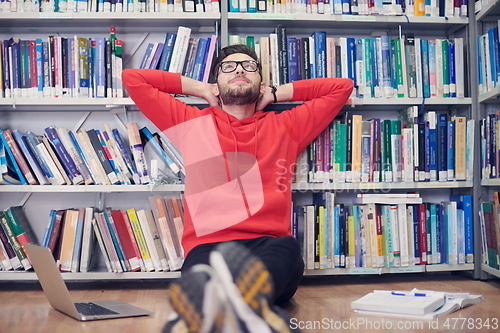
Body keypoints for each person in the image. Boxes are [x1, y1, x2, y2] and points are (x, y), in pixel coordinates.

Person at [122, 44, 353, 332]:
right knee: (204, 276)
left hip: (267, 244)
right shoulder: (191, 123)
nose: (240, 69)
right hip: (209, 246)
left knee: (287, 248)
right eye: (228, 67)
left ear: (261, 83)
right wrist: (203, 90)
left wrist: (276, 94)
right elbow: (133, 78)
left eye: (249, 66)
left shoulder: (288, 126)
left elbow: (341, 87)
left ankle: (233, 306)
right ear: (217, 83)